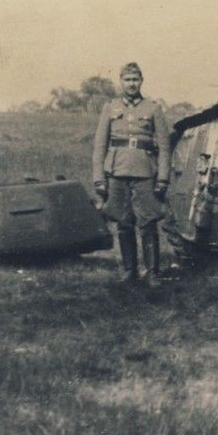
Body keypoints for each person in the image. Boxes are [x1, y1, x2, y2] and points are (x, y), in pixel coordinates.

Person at [92, 62, 171, 289]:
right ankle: (129, 270)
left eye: (135, 79)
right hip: (117, 171)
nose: (131, 84)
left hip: (145, 171)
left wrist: (163, 177)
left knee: (147, 222)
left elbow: (164, 148)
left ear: (141, 81)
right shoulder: (110, 107)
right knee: (123, 222)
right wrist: (99, 178)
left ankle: (152, 272)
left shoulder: (153, 108)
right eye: (127, 80)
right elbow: (99, 146)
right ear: (120, 82)